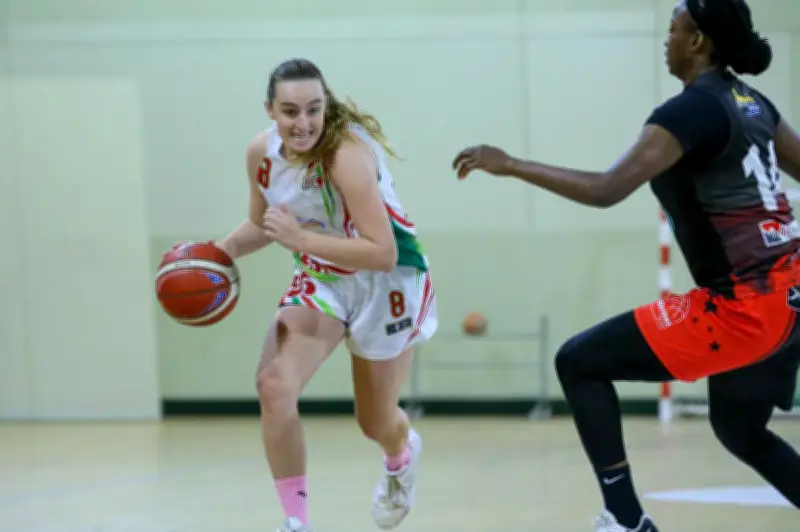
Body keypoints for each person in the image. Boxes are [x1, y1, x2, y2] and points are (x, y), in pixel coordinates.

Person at [452, 0, 800, 530]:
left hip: (745, 307)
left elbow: (605, 190)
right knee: (740, 429)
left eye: (674, 29)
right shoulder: (752, 103)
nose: (666, 39)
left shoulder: (688, 111)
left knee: (579, 362)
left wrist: (511, 164)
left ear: (698, 40)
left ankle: (625, 518)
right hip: (791, 294)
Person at [216, 58, 437, 532]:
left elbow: (382, 252)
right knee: (274, 385)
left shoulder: (346, 154)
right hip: (324, 278)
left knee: (374, 421)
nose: (304, 123)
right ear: (270, 110)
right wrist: (220, 253)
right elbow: (262, 223)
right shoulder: (261, 155)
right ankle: (296, 522)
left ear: (325, 105)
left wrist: (300, 239)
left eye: (314, 109)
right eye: (290, 111)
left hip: (388, 281)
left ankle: (400, 455)